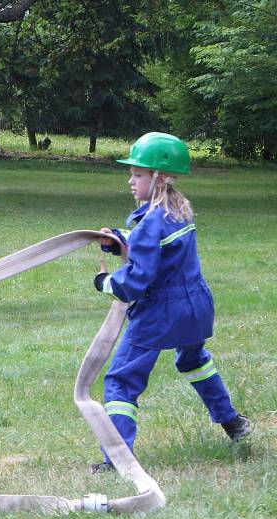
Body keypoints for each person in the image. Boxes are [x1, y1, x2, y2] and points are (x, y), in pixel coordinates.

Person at [91, 132, 251, 473]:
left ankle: (117, 460)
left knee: (121, 381)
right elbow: (160, 253)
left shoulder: (151, 223)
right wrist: (119, 240)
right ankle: (232, 422)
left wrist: (106, 283)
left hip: (161, 313)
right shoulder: (178, 211)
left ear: (159, 178)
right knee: (194, 361)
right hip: (197, 307)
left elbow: (137, 280)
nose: (130, 180)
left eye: (138, 174)